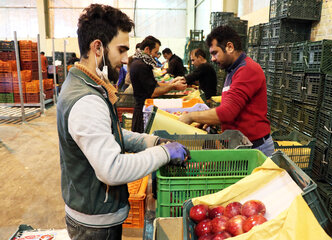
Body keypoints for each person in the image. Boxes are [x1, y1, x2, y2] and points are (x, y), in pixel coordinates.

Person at [57, 4, 190, 240]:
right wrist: (164, 154)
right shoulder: (86, 100)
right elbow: (112, 169)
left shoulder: (86, 84)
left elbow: (112, 134)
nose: (126, 58)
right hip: (95, 225)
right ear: (98, 47)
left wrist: (151, 140)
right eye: (121, 49)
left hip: (95, 213)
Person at [179, 26, 274, 157]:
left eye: (215, 53)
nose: (212, 58)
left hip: (255, 148)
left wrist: (191, 116)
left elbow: (227, 113)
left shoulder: (247, 70)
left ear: (229, 47)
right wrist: (208, 119)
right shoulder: (232, 70)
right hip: (240, 144)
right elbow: (234, 107)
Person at [130, 36, 187, 133]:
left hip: (143, 108)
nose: (157, 56)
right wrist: (173, 86)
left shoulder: (140, 62)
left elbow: (154, 84)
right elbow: (153, 92)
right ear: (147, 49)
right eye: (156, 52)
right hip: (143, 111)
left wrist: (170, 83)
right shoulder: (142, 66)